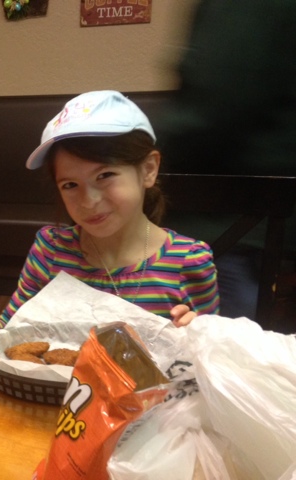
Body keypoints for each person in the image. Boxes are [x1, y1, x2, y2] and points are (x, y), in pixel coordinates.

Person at [0, 90, 220, 336]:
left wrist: (201, 338)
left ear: (149, 169)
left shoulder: (188, 262)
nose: (88, 200)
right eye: (70, 184)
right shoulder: (52, 250)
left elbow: (211, 365)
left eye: (105, 176)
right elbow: (10, 332)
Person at [156, 0, 296, 319]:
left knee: (208, 343)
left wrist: (141, 158)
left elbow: (212, 109)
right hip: (266, 225)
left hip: (233, 223)